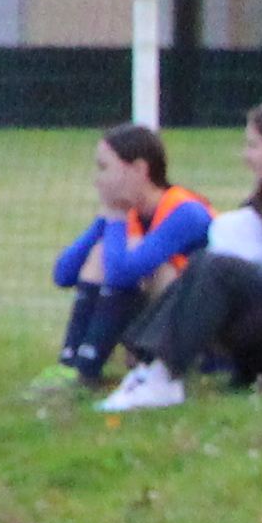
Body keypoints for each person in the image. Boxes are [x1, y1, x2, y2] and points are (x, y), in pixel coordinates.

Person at [107, 99, 262, 411]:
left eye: (254, 146)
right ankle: (152, 367)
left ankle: (162, 373)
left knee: (216, 267)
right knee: (205, 263)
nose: (246, 156)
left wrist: (228, 335)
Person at [48, 125, 209, 389]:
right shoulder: (129, 212)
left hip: (202, 330)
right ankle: (74, 365)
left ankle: (96, 368)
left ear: (138, 170)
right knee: (102, 254)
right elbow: (63, 274)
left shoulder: (185, 212)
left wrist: (115, 218)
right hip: (163, 316)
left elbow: (125, 273)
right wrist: (106, 219)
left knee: (156, 269)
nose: (96, 179)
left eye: (104, 168)